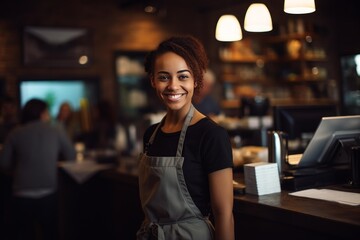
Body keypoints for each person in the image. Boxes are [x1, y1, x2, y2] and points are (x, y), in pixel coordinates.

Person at [136, 36, 234, 240]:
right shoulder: (150, 135)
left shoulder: (211, 135)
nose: (173, 86)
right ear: (153, 80)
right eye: (164, 77)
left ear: (196, 80)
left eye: (182, 77)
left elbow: (224, 214)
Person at [0, 98, 76, 240]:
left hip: (21, 192)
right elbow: (71, 155)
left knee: (24, 234)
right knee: (50, 233)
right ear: (42, 114)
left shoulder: (15, 133)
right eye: (47, 112)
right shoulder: (55, 130)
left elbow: (3, 163)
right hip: (48, 190)